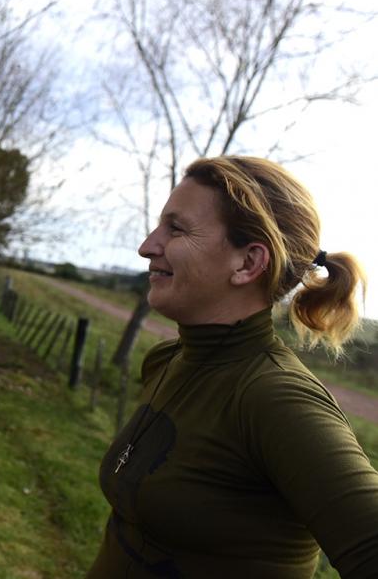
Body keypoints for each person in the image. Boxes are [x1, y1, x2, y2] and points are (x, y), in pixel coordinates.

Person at [87, 156, 378, 578]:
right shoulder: (167, 361)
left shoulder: (275, 397)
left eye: (176, 228)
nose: (148, 245)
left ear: (247, 263)